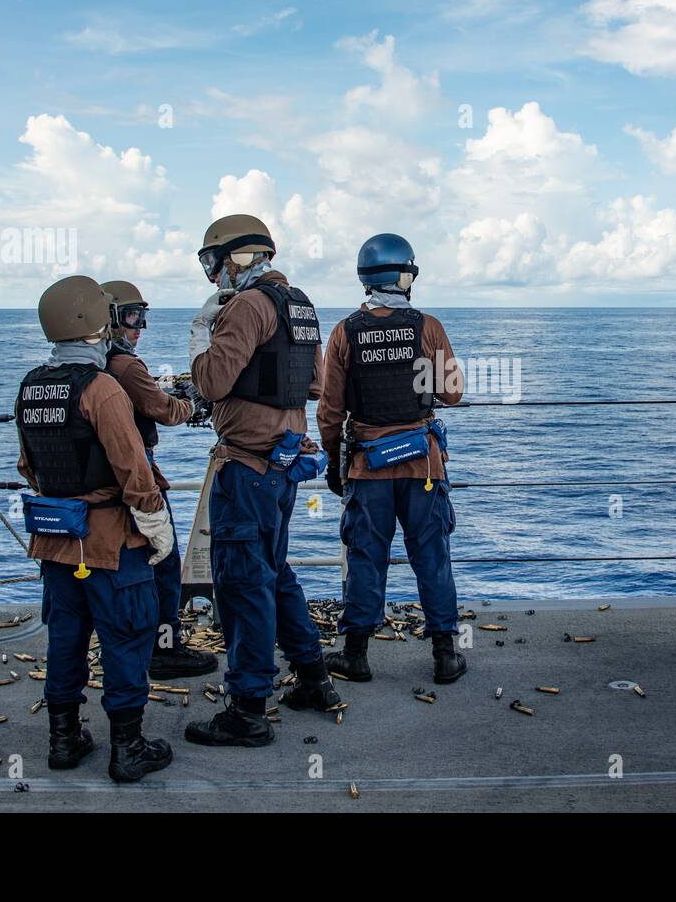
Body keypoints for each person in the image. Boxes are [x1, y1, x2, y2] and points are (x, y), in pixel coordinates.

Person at [182, 214, 342, 748]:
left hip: (247, 468)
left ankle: (248, 709)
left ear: (239, 258)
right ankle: (314, 679)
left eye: (215, 264)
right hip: (282, 466)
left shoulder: (247, 306)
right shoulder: (300, 303)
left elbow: (210, 381)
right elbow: (316, 384)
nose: (214, 278)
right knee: (274, 572)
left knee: (243, 585)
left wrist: (204, 331)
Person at [15, 275, 174, 783]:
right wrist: (154, 523)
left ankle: (63, 740)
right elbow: (133, 468)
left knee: (66, 639)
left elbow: (28, 467)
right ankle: (127, 749)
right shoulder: (102, 389)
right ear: (97, 324)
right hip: (109, 542)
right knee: (126, 637)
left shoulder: (31, 385)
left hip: (57, 542)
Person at [317, 234, 467, 684]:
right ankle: (444, 656)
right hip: (422, 467)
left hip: (367, 466)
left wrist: (333, 461)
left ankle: (356, 655)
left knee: (366, 557)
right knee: (432, 557)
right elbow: (453, 393)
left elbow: (329, 410)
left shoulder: (345, 332)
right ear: (403, 276)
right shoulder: (427, 326)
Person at [100, 279, 217, 679]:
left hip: (102, 482)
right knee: (164, 565)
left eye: (143, 317)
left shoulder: (91, 363)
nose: (140, 327)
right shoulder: (125, 364)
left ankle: (129, 642)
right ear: (110, 318)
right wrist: (191, 402)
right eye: (133, 316)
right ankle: (164, 649)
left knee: (124, 568)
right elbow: (160, 409)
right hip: (138, 474)